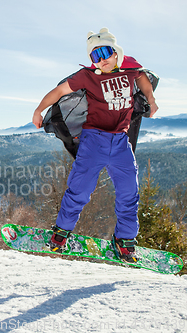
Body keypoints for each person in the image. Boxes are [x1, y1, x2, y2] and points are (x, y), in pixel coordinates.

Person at [32, 28, 159, 263]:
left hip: (121, 142)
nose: (102, 60)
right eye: (95, 56)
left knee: (129, 194)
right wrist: (39, 109)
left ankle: (125, 242)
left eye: (106, 53)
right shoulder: (87, 76)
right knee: (79, 191)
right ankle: (61, 233)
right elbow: (59, 91)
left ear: (116, 51)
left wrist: (151, 100)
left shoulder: (131, 67)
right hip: (94, 141)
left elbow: (142, 78)